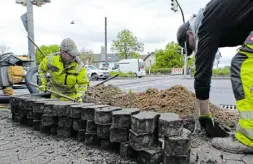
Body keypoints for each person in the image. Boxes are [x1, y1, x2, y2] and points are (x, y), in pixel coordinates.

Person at [176, 0, 253, 153]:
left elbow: (202, 74)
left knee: (242, 64)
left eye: (192, 45)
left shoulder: (204, 24)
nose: (195, 47)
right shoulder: (214, 15)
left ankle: (248, 139)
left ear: (190, 33)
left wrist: (204, 114)